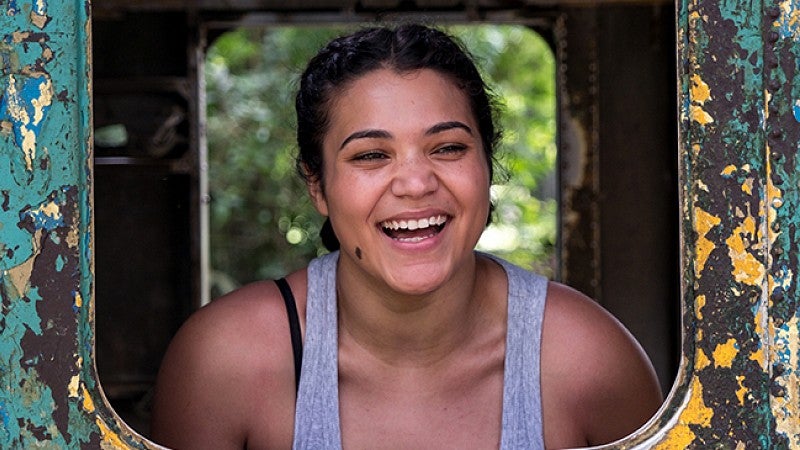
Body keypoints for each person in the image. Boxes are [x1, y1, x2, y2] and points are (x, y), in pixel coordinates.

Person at [150, 23, 663, 449]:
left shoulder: (589, 362)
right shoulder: (225, 362)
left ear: (488, 166)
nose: (416, 184)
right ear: (317, 185)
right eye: (371, 155)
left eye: (447, 148)